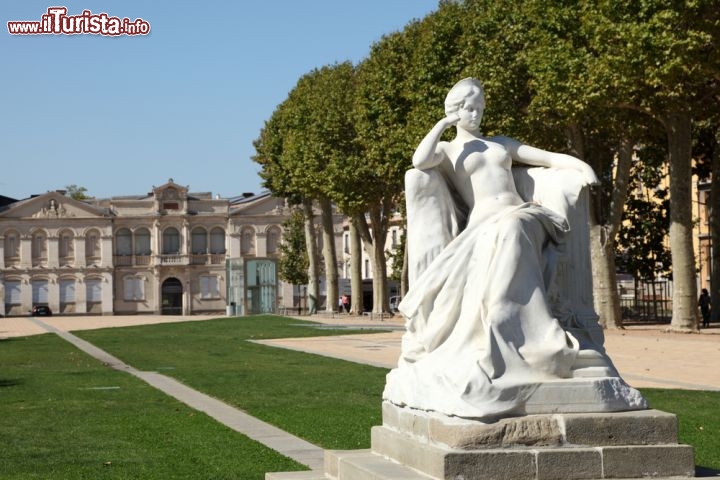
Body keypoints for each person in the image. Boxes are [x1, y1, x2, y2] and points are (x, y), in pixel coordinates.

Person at [383, 78, 601, 419]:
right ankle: (502, 322)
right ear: (455, 111)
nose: (476, 114)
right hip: (485, 223)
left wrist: (580, 167)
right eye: (469, 108)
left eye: (480, 108)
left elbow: (544, 157)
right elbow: (419, 159)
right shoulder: (449, 151)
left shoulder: (500, 144)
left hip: (522, 214)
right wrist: (442, 125)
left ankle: (514, 326)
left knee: (514, 226)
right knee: (505, 231)